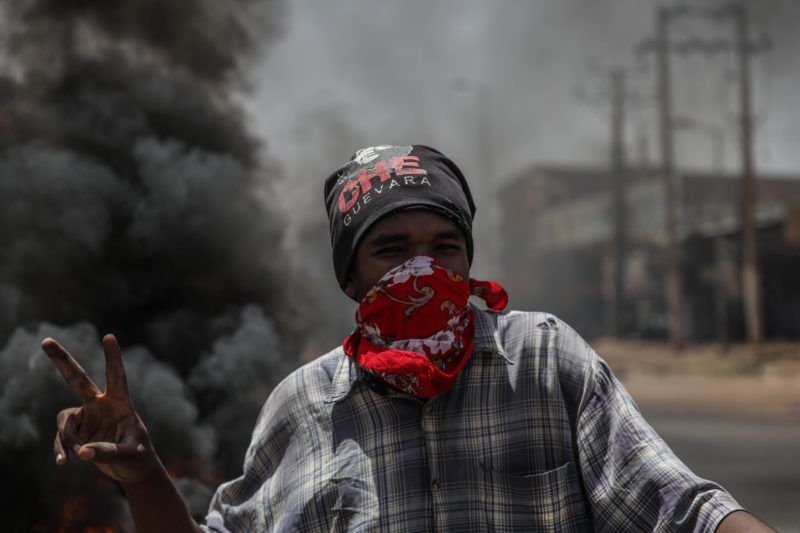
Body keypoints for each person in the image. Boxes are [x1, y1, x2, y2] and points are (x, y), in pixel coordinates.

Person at [43, 145, 773, 532]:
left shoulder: (545, 359)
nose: (423, 268)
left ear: (468, 259)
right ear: (352, 278)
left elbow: (681, 508)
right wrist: (142, 474)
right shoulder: (303, 407)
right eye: (391, 250)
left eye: (445, 246)